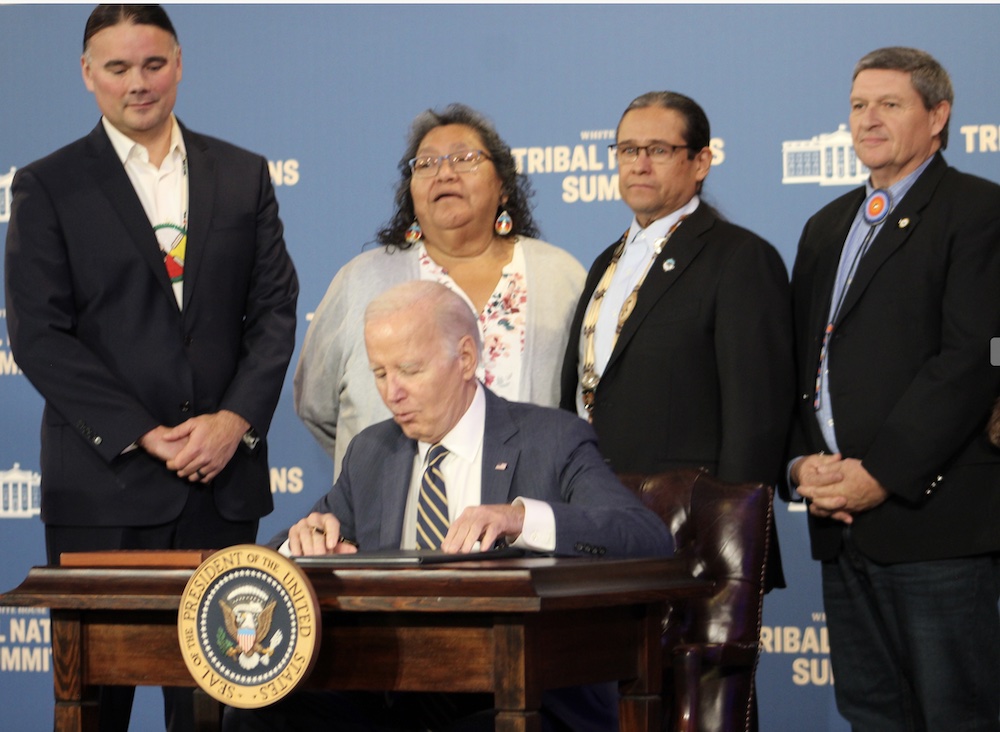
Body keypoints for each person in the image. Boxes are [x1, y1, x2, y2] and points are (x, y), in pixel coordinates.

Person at [3, 5, 298, 731]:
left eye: (154, 64)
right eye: (118, 68)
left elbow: (275, 312)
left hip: (221, 488)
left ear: (179, 62)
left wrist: (233, 422)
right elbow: (40, 335)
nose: (139, 83)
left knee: (221, 715)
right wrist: (144, 432)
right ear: (86, 74)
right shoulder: (47, 186)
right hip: (104, 493)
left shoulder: (242, 174)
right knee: (96, 709)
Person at [224, 280, 674, 732]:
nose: (391, 392)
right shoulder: (372, 451)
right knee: (258, 712)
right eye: (380, 373)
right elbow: (285, 544)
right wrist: (300, 547)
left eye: (409, 370)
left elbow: (645, 537)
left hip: (516, 691)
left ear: (465, 359)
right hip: (389, 691)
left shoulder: (551, 441)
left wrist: (520, 518)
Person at [785, 47, 1000, 731]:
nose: (867, 120)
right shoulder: (825, 226)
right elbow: (799, 365)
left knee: (955, 715)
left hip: (934, 523)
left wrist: (880, 473)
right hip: (839, 524)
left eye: (889, 104)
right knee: (872, 714)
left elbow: (971, 361)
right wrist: (800, 465)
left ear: (937, 117)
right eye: (857, 105)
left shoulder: (977, 211)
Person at [560, 91, 793, 590]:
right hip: (596, 521)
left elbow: (756, 419)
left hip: (690, 531)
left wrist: (730, 537)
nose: (639, 165)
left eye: (658, 150)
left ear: (701, 161)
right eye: (627, 150)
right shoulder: (605, 261)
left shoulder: (739, 259)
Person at [294, 103, 585, 480]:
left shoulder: (560, 276)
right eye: (426, 164)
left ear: (503, 187)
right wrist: (379, 472)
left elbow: (585, 404)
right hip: (396, 517)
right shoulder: (360, 281)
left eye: (465, 159)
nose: (445, 173)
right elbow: (316, 405)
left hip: (526, 511)